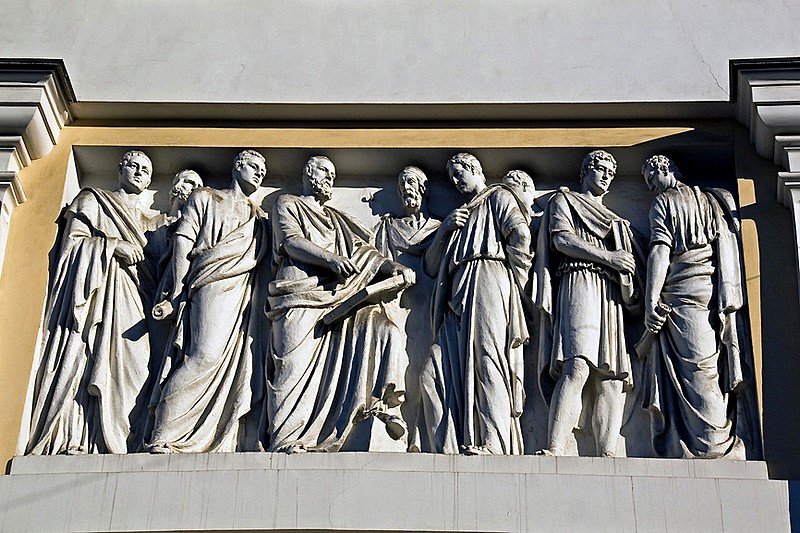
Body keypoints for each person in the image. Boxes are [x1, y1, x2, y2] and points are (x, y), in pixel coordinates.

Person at [267, 156, 415, 453]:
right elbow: (291, 241)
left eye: (333, 174)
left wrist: (391, 268)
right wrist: (330, 260)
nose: (330, 179)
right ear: (308, 172)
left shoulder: (337, 220)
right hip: (299, 296)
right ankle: (284, 440)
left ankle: (377, 410)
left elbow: (363, 252)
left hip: (343, 300)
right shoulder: (288, 203)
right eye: (325, 171)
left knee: (388, 333)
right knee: (292, 368)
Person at [27, 150, 157, 455]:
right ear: (120, 168)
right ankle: (81, 436)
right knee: (89, 355)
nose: (139, 172)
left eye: (146, 170)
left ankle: (125, 439)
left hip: (137, 300)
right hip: (99, 291)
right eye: (134, 166)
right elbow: (71, 249)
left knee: (136, 365)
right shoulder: (94, 201)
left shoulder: (153, 220)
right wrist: (112, 248)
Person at [147, 150, 269, 453]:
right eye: (254, 166)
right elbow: (182, 242)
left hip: (243, 295)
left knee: (239, 365)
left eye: (264, 171)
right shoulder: (205, 197)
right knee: (203, 356)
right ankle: (164, 430)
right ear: (237, 166)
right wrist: (175, 292)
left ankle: (218, 437)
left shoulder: (260, 219)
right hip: (209, 283)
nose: (259, 174)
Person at [638, 155, 751, 459]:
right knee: (707, 367)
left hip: (685, 295)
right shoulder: (713, 201)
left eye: (652, 178)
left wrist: (651, 302)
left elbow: (660, 252)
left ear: (667, 170)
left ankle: (712, 445)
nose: (651, 187)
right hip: (713, 294)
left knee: (697, 371)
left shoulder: (664, 204)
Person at [419, 153, 532, 455]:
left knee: (487, 358)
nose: (455, 181)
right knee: (432, 371)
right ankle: (448, 452)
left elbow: (520, 233)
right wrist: (444, 229)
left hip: (488, 279)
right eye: (452, 176)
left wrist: (515, 284)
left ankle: (494, 442)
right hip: (457, 294)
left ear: (475, 170)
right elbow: (430, 266)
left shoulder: (497, 197)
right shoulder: (459, 216)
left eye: (459, 173)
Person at [535, 150, 637, 457]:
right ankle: (554, 447)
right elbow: (561, 240)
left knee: (611, 376)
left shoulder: (618, 223)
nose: (606, 176)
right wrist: (609, 257)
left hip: (609, 293)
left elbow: (632, 263)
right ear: (585, 172)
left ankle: (608, 453)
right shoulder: (563, 201)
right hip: (577, 281)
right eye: (601, 169)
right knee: (577, 365)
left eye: (611, 172)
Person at [373, 166, 441, 451]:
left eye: (412, 183)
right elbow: (375, 265)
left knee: (428, 371)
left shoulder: (438, 228)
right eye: (402, 184)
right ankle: (405, 432)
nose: (406, 189)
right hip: (397, 305)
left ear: (423, 189)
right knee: (404, 370)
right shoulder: (387, 228)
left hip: (429, 307)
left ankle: (431, 438)